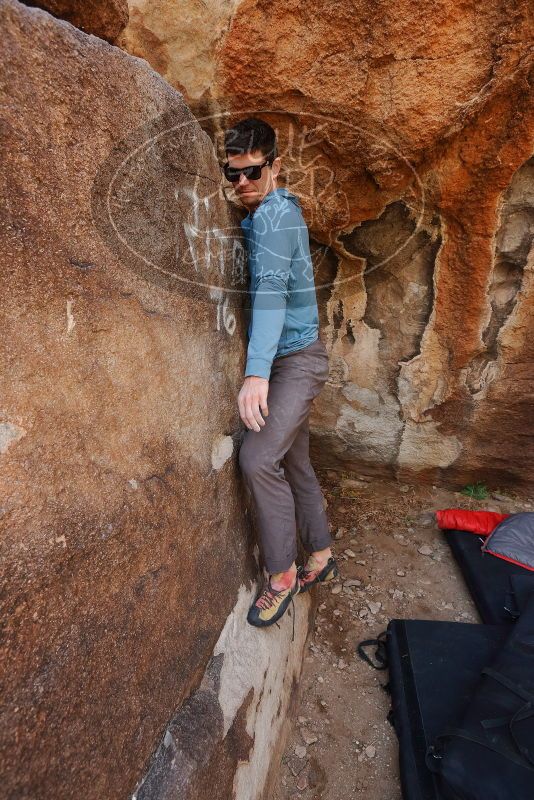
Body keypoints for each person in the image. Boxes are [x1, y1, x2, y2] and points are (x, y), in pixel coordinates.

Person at [222, 118, 339, 631]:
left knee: (257, 456)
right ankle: (321, 553)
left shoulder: (274, 217)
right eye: (232, 175)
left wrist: (256, 374)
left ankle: (282, 575)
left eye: (252, 173)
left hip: (295, 360)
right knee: (295, 463)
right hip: (296, 353)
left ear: (274, 166)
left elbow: (269, 295)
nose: (242, 184)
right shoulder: (271, 213)